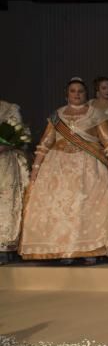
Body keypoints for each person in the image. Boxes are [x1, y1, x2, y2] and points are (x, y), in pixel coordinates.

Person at [20, 78, 108, 264]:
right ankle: (64, 248)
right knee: (61, 208)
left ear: (86, 93)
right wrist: (36, 168)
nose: (77, 94)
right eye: (73, 91)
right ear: (67, 94)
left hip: (88, 165)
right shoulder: (57, 115)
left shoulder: (96, 114)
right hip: (58, 166)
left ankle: (89, 250)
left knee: (86, 206)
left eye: (80, 91)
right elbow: (46, 142)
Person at [0, 99, 29, 263]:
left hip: (4, 161)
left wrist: (5, 145)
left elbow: (20, 134)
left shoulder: (9, 108)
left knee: (6, 202)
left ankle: (4, 246)